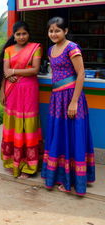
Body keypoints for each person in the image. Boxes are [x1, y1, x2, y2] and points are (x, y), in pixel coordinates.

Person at [41, 17, 95, 195]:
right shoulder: (50, 50)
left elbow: (81, 73)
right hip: (57, 98)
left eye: (57, 30)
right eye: (51, 31)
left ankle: (73, 181)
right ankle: (60, 176)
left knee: (73, 136)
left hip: (72, 98)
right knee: (59, 135)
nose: (53, 34)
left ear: (65, 31)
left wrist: (74, 102)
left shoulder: (72, 48)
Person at [0, 21, 43, 178]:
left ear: (28, 34)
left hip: (29, 90)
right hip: (12, 91)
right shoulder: (8, 50)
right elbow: (5, 72)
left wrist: (15, 71)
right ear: (14, 36)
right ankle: (12, 161)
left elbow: (34, 70)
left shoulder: (36, 48)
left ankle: (29, 165)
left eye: (24, 33)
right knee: (13, 123)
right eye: (18, 34)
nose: (21, 37)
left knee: (27, 125)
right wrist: (2, 91)